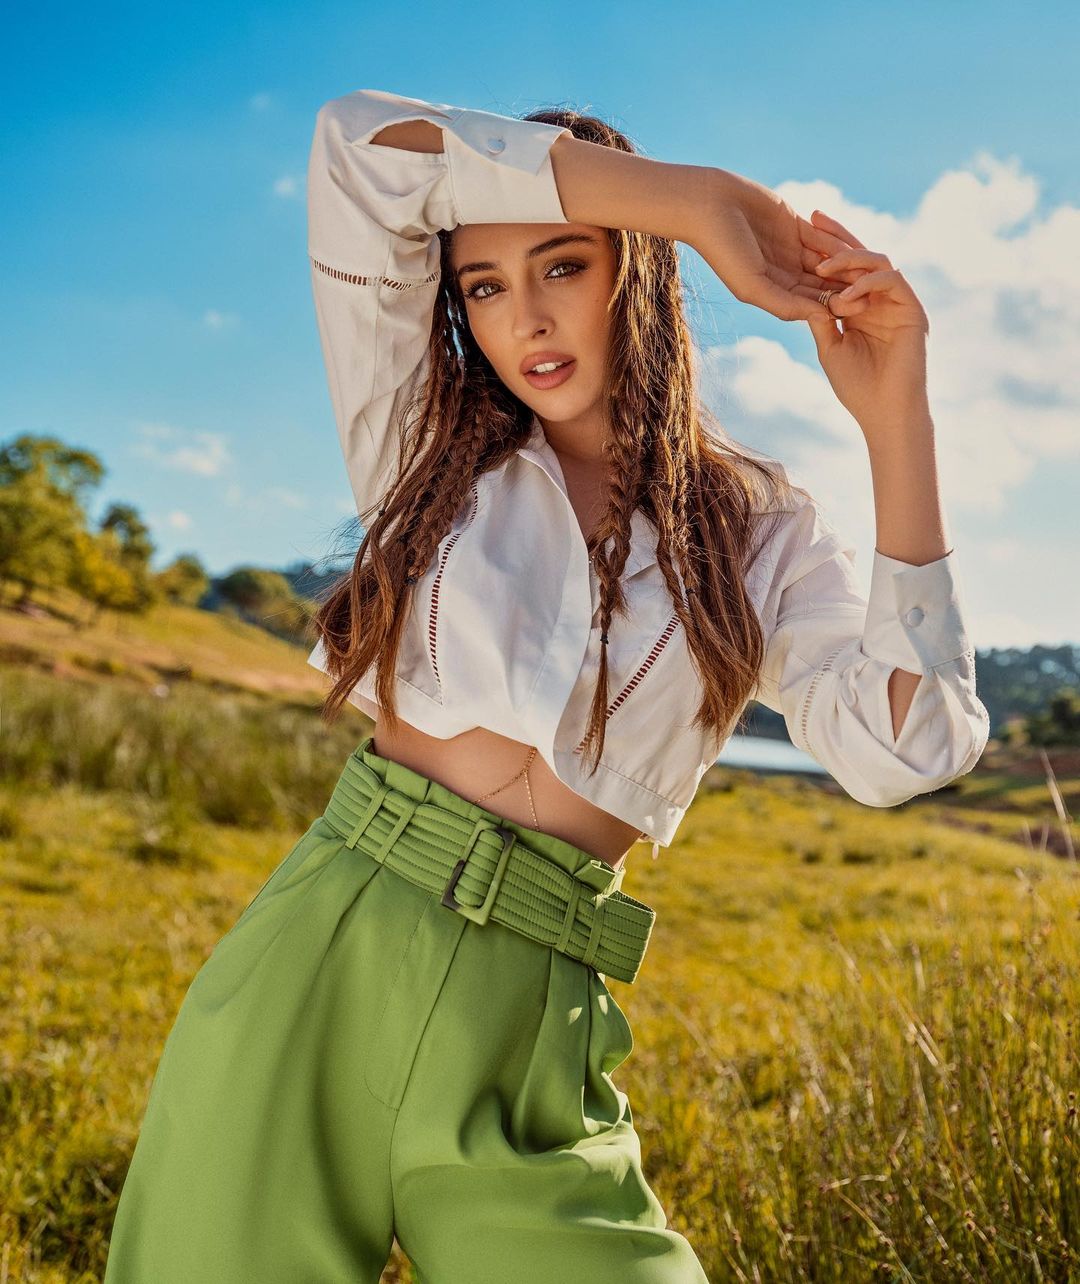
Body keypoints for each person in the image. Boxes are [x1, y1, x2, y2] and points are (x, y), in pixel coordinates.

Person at [102, 86, 990, 1283]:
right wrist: (701, 201)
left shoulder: (761, 533)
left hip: (536, 1022)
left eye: (563, 266)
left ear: (637, 275)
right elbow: (360, 150)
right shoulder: (419, 437)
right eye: (484, 285)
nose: (525, 317)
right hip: (325, 957)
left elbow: (910, 750)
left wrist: (897, 421)